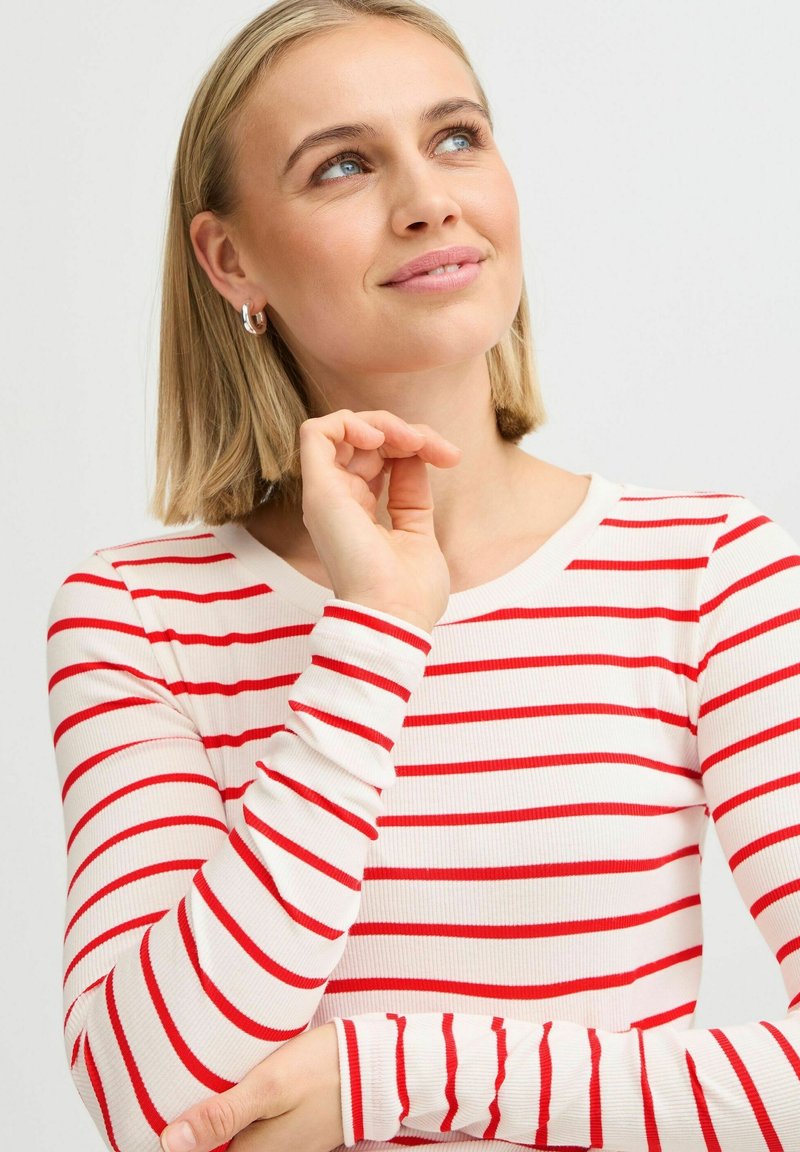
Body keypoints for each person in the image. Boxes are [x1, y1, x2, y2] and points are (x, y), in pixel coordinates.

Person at [45, 2, 800, 1151]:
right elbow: (144, 1094)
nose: (427, 199)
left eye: (455, 137)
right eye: (341, 165)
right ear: (230, 259)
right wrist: (374, 633)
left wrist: (395, 1073)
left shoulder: (705, 572)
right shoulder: (139, 617)